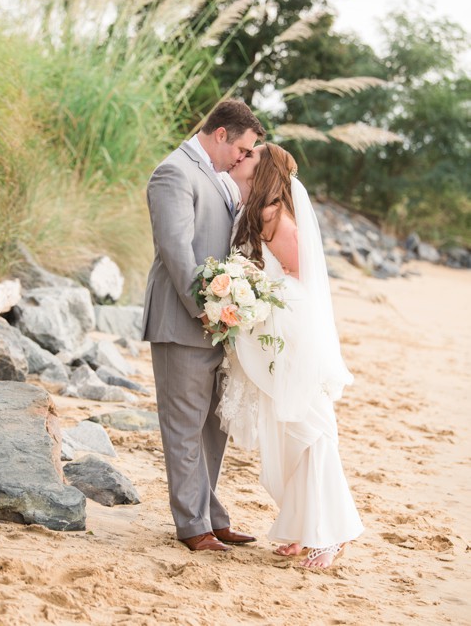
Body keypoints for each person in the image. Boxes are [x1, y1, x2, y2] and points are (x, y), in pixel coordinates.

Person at [221, 143, 364, 568]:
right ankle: (303, 527)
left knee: (309, 430)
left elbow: (303, 279)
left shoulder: (273, 217)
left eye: (250, 155)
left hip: (291, 334)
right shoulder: (256, 211)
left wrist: (253, 293)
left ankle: (332, 535)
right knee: (288, 434)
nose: (241, 156)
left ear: (263, 171)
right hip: (275, 333)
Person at [142, 99, 264, 552]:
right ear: (220, 135)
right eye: (242, 149)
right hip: (184, 319)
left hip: (220, 322)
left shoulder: (221, 177)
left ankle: (212, 514)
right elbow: (177, 253)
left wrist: (231, 312)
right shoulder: (173, 172)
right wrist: (208, 310)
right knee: (184, 424)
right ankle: (192, 526)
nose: (243, 158)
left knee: (215, 426)